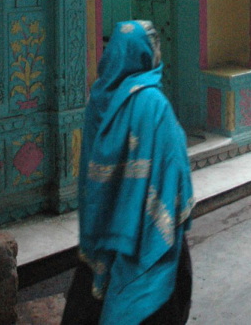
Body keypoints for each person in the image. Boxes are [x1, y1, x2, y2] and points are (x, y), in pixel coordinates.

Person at [61, 20, 194, 325]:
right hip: (148, 230)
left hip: (102, 225)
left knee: (89, 303)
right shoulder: (153, 103)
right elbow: (173, 166)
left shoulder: (98, 98)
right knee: (156, 298)